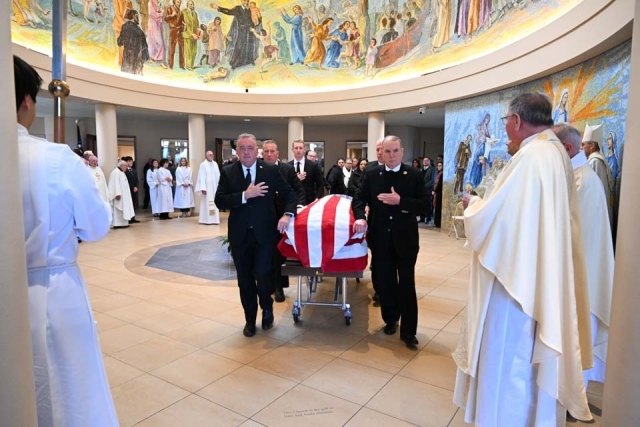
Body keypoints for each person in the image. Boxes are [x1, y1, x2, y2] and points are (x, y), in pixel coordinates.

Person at [453, 93, 593, 426]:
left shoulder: (533, 157)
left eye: (506, 123)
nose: (506, 131)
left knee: (508, 361)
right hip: (534, 270)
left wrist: (473, 206)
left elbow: (500, 223)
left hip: (515, 284)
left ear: (517, 121)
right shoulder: (553, 152)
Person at [14, 55, 118, 426]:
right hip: (53, 289)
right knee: (68, 389)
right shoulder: (56, 158)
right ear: (26, 101)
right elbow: (95, 227)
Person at [215, 134, 296, 337]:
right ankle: (249, 320)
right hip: (240, 235)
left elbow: (290, 194)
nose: (246, 152)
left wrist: (287, 214)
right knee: (245, 280)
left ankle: (266, 308)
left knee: (263, 274)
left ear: (256, 150)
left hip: (265, 235)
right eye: (242, 148)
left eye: (250, 147)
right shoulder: (228, 172)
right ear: (236, 151)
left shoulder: (269, 170)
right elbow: (219, 200)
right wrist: (245, 195)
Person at [553, 123, 615, 388]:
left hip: (583, 278)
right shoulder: (575, 175)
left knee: (578, 338)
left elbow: (569, 234)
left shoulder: (583, 180)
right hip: (577, 274)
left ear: (567, 148)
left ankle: (573, 396)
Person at [353, 135, 427, 348]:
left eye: (395, 151)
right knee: (385, 284)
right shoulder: (372, 174)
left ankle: (409, 331)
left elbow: (424, 206)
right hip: (381, 239)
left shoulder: (414, 175)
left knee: (406, 284)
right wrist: (360, 216)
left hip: (406, 240)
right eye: (387, 151)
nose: (392, 155)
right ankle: (391, 319)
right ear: (381, 153)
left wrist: (401, 201)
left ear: (402, 152)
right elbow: (359, 198)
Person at [262, 140, 305, 302]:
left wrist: (294, 210)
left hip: (282, 218)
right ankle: (268, 286)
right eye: (266, 151)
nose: (269, 154)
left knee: (278, 254)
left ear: (278, 153)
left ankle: (279, 287)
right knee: (265, 254)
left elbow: (298, 191)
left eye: (272, 151)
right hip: (264, 218)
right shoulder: (258, 169)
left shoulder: (286, 170)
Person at [582, 122, 614, 228]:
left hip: (596, 212)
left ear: (591, 146)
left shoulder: (594, 162)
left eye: (583, 144)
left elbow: (591, 192)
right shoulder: (598, 159)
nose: (581, 148)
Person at [211, 0, 261, 70]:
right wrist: (218, 8)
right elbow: (229, 11)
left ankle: (250, 61)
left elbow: (254, 18)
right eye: (245, 1)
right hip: (242, 30)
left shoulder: (250, 9)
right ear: (241, 1)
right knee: (239, 46)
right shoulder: (238, 9)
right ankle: (235, 63)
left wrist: (256, 23)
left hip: (250, 30)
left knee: (249, 46)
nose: (246, 2)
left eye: (247, 1)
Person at [288, 139, 324, 205]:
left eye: (300, 148)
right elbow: (285, 185)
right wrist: (296, 179)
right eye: (296, 148)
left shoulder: (313, 165)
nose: (298, 150)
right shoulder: (287, 166)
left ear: (304, 149)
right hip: (292, 202)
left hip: (309, 202)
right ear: (292, 150)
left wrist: (317, 198)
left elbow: (320, 184)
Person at [117, 9, 150, 75]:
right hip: (136, 60)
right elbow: (145, 49)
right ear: (133, 16)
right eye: (136, 16)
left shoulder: (124, 27)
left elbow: (119, 42)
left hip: (126, 58)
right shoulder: (139, 32)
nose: (138, 18)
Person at [195, 151, 221, 224]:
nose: (211, 156)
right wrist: (203, 187)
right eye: (209, 155)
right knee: (206, 203)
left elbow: (218, 175)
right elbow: (201, 176)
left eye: (212, 155)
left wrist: (220, 185)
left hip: (214, 187)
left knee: (215, 202)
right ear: (206, 156)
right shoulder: (203, 165)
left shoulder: (215, 164)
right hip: (207, 188)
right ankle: (206, 219)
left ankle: (215, 220)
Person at [109, 160, 135, 228]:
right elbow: (114, 184)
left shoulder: (122, 172)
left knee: (124, 208)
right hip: (119, 195)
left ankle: (124, 223)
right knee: (119, 208)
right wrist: (117, 193)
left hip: (125, 195)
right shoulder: (115, 172)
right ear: (121, 165)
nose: (127, 167)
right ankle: (118, 224)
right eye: (125, 166)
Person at [164, 0, 186, 70]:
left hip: (179, 31)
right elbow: (166, 19)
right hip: (173, 30)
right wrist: (172, 15)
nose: (179, 4)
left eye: (180, 2)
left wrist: (184, 27)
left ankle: (182, 65)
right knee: (172, 48)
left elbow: (183, 22)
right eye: (177, 2)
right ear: (174, 2)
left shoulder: (181, 12)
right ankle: (171, 65)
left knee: (182, 48)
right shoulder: (170, 8)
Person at [182, 0, 200, 70]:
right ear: (187, 5)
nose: (192, 6)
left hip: (194, 36)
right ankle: (188, 66)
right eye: (190, 4)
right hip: (187, 34)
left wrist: (198, 34)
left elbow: (197, 24)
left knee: (194, 51)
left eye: (192, 4)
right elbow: (183, 24)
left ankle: (191, 65)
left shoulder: (195, 13)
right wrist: (192, 34)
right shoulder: (183, 12)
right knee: (188, 51)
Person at [122, 156, 140, 223]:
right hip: (129, 189)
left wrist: (136, 186)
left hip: (135, 190)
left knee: (134, 203)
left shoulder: (134, 170)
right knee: (129, 204)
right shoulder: (125, 171)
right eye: (129, 161)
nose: (131, 162)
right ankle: (128, 218)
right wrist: (132, 187)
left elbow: (136, 180)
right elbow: (127, 181)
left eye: (131, 161)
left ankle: (133, 217)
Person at [421, 156, 435, 224]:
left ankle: (428, 219)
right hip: (421, 190)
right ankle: (422, 218)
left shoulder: (432, 169)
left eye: (427, 160)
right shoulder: (421, 169)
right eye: (424, 160)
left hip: (428, 189)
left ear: (429, 162)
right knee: (421, 203)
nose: (425, 162)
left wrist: (424, 187)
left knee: (429, 204)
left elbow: (432, 180)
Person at [432, 161, 443, 227]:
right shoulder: (438, 173)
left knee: (438, 208)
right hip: (437, 192)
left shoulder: (442, 174)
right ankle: (436, 222)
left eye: (440, 166)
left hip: (439, 192)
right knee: (436, 207)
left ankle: (437, 223)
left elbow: (439, 184)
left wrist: (435, 190)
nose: (439, 167)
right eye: (438, 165)